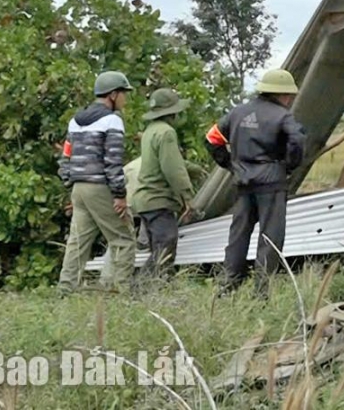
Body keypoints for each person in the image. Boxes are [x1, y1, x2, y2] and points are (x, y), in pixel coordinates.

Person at [205, 69, 305, 295]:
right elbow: (297, 140)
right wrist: (288, 166)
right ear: (282, 94)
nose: (290, 99)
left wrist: (230, 164)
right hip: (272, 184)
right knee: (270, 237)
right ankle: (261, 290)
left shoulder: (237, 112)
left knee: (238, 235)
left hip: (243, 182)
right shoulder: (283, 116)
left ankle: (228, 285)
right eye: (289, 95)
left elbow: (211, 138)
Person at [57, 71, 136, 293]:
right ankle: (121, 291)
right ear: (113, 95)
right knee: (123, 239)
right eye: (123, 93)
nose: (125, 99)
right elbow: (113, 161)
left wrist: (70, 181)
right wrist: (119, 194)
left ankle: (65, 290)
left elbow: (66, 156)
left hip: (79, 189)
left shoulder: (75, 121)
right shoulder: (113, 121)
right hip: (100, 187)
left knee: (77, 242)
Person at [131, 88, 194, 279]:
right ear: (173, 112)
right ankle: (141, 286)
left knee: (157, 248)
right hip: (158, 199)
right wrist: (187, 196)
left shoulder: (150, 131)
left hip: (144, 200)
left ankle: (157, 287)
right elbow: (173, 169)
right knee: (166, 245)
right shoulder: (166, 132)